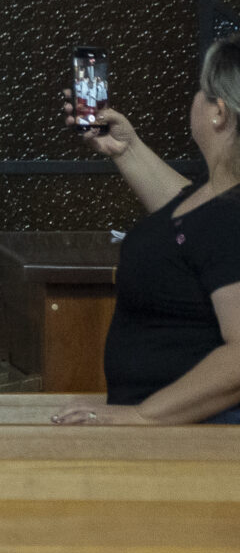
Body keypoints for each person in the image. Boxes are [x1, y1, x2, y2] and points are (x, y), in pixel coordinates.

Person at [57, 35, 240, 425]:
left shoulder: (232, 214)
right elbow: (190, 221)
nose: (194, 100)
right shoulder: (219, 201)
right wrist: (127, 149)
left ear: (219, 112)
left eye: (200, 91)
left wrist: (141, 415)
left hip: (200, 435)